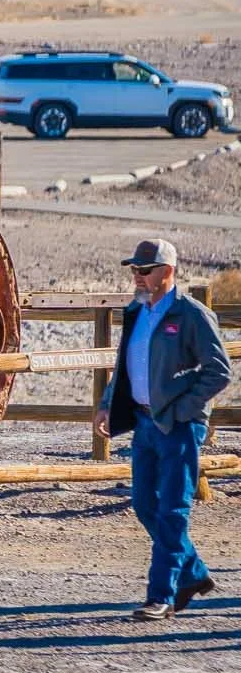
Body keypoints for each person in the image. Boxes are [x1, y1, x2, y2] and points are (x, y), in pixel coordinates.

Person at [95, 238, 232, 621]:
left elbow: (219, 372)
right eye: (134, 269)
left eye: (144, 269)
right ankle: (195, 574)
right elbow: (126, 367)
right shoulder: (137, 313)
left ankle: (162, 596)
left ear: (167, 272)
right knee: (143, 503)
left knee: (173, 510)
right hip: (144, 423)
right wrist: (108, 404)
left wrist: (184, 410)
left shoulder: (191, 315)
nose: (136, 277)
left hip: (180, 427)